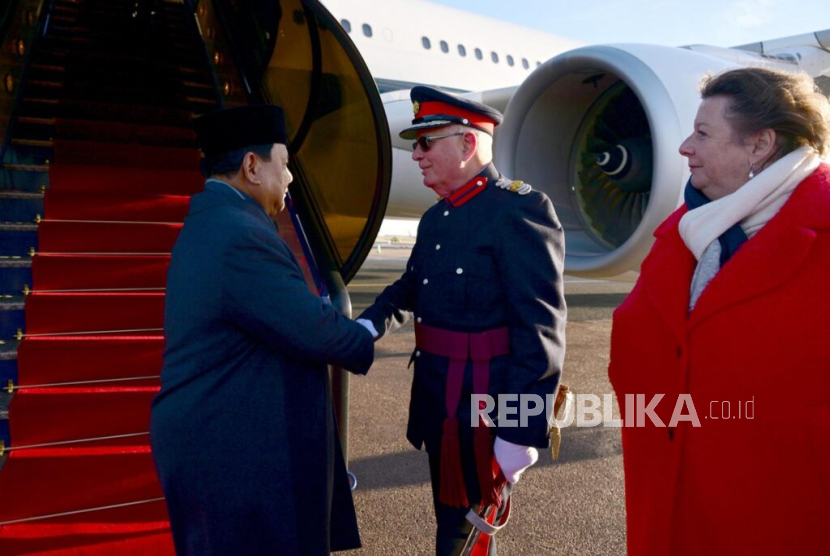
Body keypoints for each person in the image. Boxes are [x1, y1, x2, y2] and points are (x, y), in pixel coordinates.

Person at [608, 67, 830, 555]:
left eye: (703, 133)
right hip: (667, 508)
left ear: (760, 145)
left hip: (781, 522)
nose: (685, 147)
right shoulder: (684, 230)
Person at [150, 104, 374, 555]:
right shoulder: (240, 235)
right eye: (285, 164)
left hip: (220, 443)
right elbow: (316, 329)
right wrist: (367, 331)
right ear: (252, 166)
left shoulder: (214, 221)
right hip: (234, 458)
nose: (290, 179)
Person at [357, 86, 567, 555]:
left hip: (486, 410)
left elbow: (541, 331)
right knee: (449, 519)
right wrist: (369, 325)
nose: (416, 155)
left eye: (426, 142)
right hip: (439, 400)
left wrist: (519, 430)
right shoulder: (436, 219)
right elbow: (411, 287)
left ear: (468, 143)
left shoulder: (520, 209)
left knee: (465, 532)